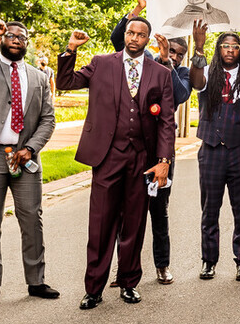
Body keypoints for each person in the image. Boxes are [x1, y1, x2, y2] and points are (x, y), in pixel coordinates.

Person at [58, 19, 175, 309]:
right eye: (130, 33)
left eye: (140, 35)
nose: (134, 38)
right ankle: (93, 288)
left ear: (148, 39)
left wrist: (164, 161)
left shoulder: (160, 73)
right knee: (101, 223)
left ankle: (129, 282)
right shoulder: (101, 63)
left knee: (135, 223)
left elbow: (166, 121)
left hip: (142, 158)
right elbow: (65, 82)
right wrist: (71, 49)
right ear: (125, 35)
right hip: (107, 155)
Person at [0, 19, 58, 307]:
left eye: (22, 36)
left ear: (27, 43)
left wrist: (31, 148)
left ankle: (36, 281)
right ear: (2, 39)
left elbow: (48, 119)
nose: (16, 39)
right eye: (10, 35)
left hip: (25, 157)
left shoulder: (38, 77)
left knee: (32, 219)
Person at [110, 0, 193, 284]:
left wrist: (166, 61)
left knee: (159, 212)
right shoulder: (141, 61)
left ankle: (162, 265)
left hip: (161, 155)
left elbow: (180, 95)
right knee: (125, 215)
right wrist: (138, 9)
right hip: (132, 151)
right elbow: (118, 40)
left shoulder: (180, 73)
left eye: (179, 54)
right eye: (171, 50)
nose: (175, 56)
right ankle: (124, 269)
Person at [189, 26, 240, 282]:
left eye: (235, 47)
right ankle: (208, 261)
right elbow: (196, 82)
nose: (230, 50)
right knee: (209, 210)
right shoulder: (207, 72)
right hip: (211, 150)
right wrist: (199, 49)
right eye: (225, 46)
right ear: (218, 49)